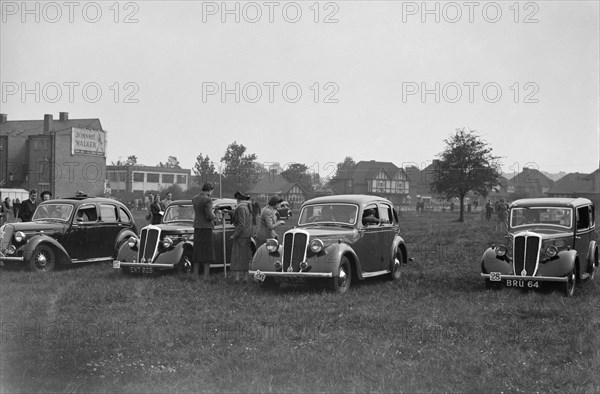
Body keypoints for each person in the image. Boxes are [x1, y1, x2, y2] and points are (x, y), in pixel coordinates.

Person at [192, 182, 217, 280]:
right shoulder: (208, 200)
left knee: (197, 252)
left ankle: (195, 275)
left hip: (197, 227)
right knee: (207, 254)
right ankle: (206, 276)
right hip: (206, 228)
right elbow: (209, 215)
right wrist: (215, 216)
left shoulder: (195, 198)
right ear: (210, 190)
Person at [230, 191, 253, 283]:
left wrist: (234, 235)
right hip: (247, 234)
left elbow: (241, 224)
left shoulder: (240, 208)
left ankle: (237, 278)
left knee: (237, 256)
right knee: (245, 256)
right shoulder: (248, 207)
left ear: (239, 199)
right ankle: (245, 277)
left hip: (240, 236)